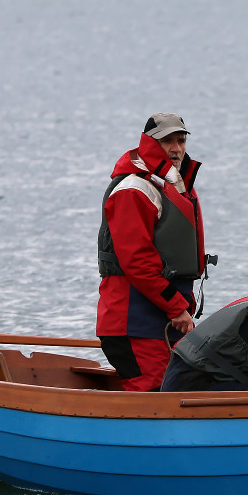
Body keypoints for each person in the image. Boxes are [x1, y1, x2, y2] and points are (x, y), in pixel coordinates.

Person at [97, 112, 210, 392]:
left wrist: (180, 310)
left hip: (165, 321)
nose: (176, 148)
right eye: (167, 140)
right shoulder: (134, 189)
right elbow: (136, 261)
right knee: (156, 396)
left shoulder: (175, 185)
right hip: (133, 322)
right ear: (149, 143)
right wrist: (176, 307)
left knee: (189, 386)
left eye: (181, 140)